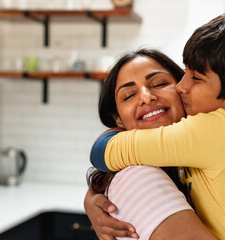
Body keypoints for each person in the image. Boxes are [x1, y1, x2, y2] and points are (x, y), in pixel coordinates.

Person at [90, 10, 225, 240]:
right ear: (117, 117)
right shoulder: (143, 176)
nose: (182, 87)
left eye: (195, 78)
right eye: (128, 95)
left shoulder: (213, 131)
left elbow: (104, 151)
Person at [87, 48, 217, 240]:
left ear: (183, 90)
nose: (147, 97)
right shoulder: (138, 177)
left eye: (159, 83)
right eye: (129, 95)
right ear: (119, 120)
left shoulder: (197, 157)